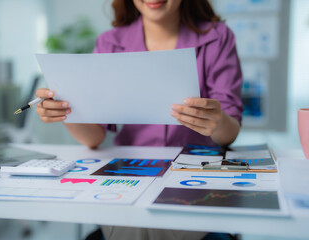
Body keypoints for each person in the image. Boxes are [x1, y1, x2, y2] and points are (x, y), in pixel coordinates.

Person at [35, 0, 243, 239]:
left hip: (196, 177)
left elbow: (230, 131)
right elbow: (95, 137)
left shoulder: (218, 37)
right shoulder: (109, 42)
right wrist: (65, 111)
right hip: (128, 177)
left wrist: (217, 122)